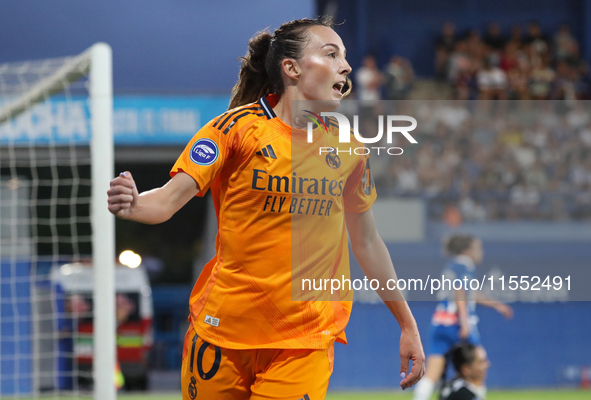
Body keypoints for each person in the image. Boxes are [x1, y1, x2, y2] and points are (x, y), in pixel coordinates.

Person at [107, 16, 424, 400]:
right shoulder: (234, 129)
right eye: (331, 53)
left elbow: (368, 242)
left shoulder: (348, 146)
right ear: (291, 68)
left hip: (303, 340)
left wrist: (407, 324)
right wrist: (135, 203)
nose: (346, 65)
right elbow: (169, 200)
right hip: (222, 329)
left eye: (344, 55)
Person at [413, 234, 512, 400]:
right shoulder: (465, 265)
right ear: (468, 250)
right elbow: (460, 292)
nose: (481, 252)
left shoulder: (452, 265)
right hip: (457, 323)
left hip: (440, 322)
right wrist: (465, 323)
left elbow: (470, 294)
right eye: (478, 248)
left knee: (432, 373)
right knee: (479, 364)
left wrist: (496, 304)